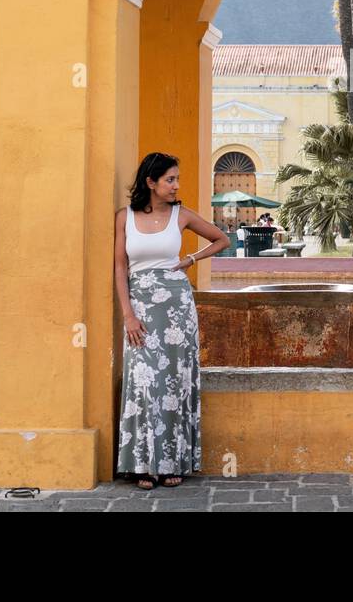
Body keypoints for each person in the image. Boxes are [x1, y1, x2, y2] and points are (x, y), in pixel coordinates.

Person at [115, 151, 229, 489]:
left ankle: (171, 462)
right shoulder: (125, 217)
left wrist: (191, 259)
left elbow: (222, 239)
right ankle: (141, 464)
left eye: (176, 179)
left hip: (178, 309)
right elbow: (120, 268)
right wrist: (128, 315)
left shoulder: (182, 215)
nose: (176, 185)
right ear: (151, 182)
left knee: (174, 383)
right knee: (143, 380)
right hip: (141, 308)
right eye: (170, 179)